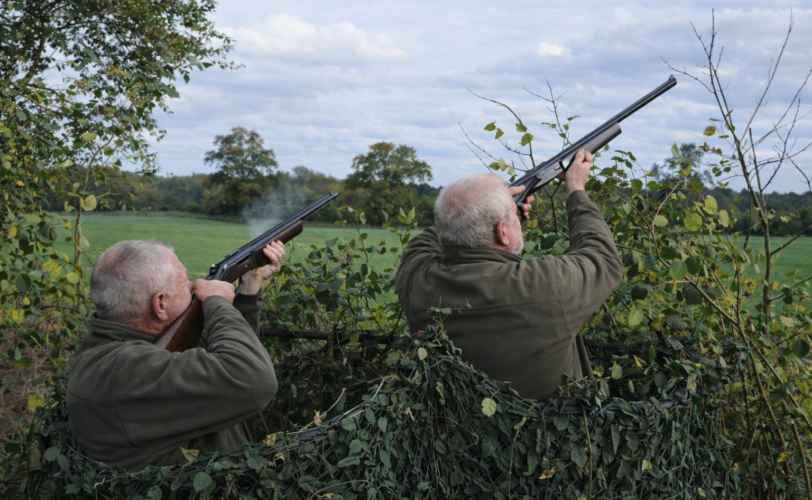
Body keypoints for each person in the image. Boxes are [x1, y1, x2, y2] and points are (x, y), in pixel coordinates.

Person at [396, 150, 623, 401]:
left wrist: (485, 215)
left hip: (448, 423)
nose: (518, 217)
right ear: (502, 233)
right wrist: (576, 188)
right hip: (549, 425)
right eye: (514, 216)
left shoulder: (416, 280)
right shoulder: (545, 283)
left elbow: (436, 235)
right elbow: (603, 257)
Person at [66, 239, 285, 469]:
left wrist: (249, 286)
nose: (195, 286)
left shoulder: (119, 349)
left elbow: (228, 352)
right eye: (185, 283)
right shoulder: (123, 372)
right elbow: (251, 377)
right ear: (160, 304)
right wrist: (217, 302)